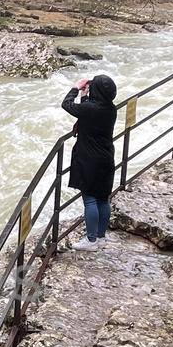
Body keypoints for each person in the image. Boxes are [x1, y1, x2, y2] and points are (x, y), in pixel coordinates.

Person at [61, 73, 119, 251]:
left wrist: (75, 88)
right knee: (103, 198)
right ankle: (100, 237)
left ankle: (91, 240)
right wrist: (85, 95)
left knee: (90, 199)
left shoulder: (90, 109)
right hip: (106, 158)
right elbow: (88, 109)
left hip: (89, 159)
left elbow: (67, 105)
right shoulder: (111, 109)